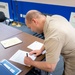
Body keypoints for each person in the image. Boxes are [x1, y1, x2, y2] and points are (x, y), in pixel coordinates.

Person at [24, 10, 75, 75]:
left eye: (30, 27)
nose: (32, 30)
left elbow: (50, 67)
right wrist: (41, 50)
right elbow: (49, 38)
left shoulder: (53, 36)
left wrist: (31, 62)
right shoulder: (55, 17)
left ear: (34, 21)